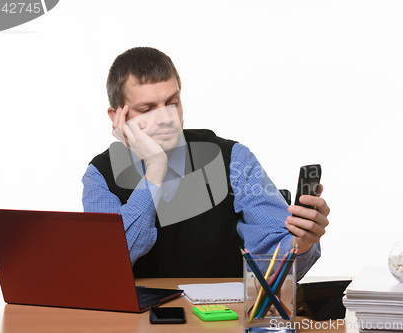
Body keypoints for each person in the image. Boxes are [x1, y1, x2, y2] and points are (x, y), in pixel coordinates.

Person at [81, 47, 330, 280]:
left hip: (224, 320)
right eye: (147, 109)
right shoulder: (101, 175)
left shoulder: (232, 159)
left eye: (172, 103)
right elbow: (109, 265)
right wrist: (155, 166)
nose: (166, 119)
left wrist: (301, 244)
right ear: (117, 118)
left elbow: (273, 265)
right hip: (137, 323)